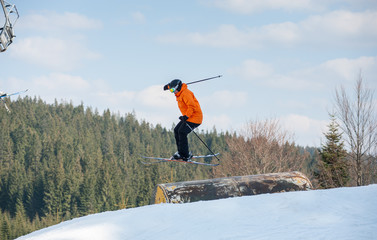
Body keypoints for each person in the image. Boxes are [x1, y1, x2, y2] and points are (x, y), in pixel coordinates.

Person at [164, 79, 203, 161]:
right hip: (188, 117)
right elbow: (172, 85)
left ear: (178, 87)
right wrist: (167, 87)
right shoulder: (179, 92)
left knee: (182, 132)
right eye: (171, 90)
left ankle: (185, 155)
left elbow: (192, 106)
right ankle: (180, 152)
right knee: (176, 130)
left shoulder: (185, 93)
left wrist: (186, 116)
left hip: (195, 117)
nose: (172, 92)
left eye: (173, 90)